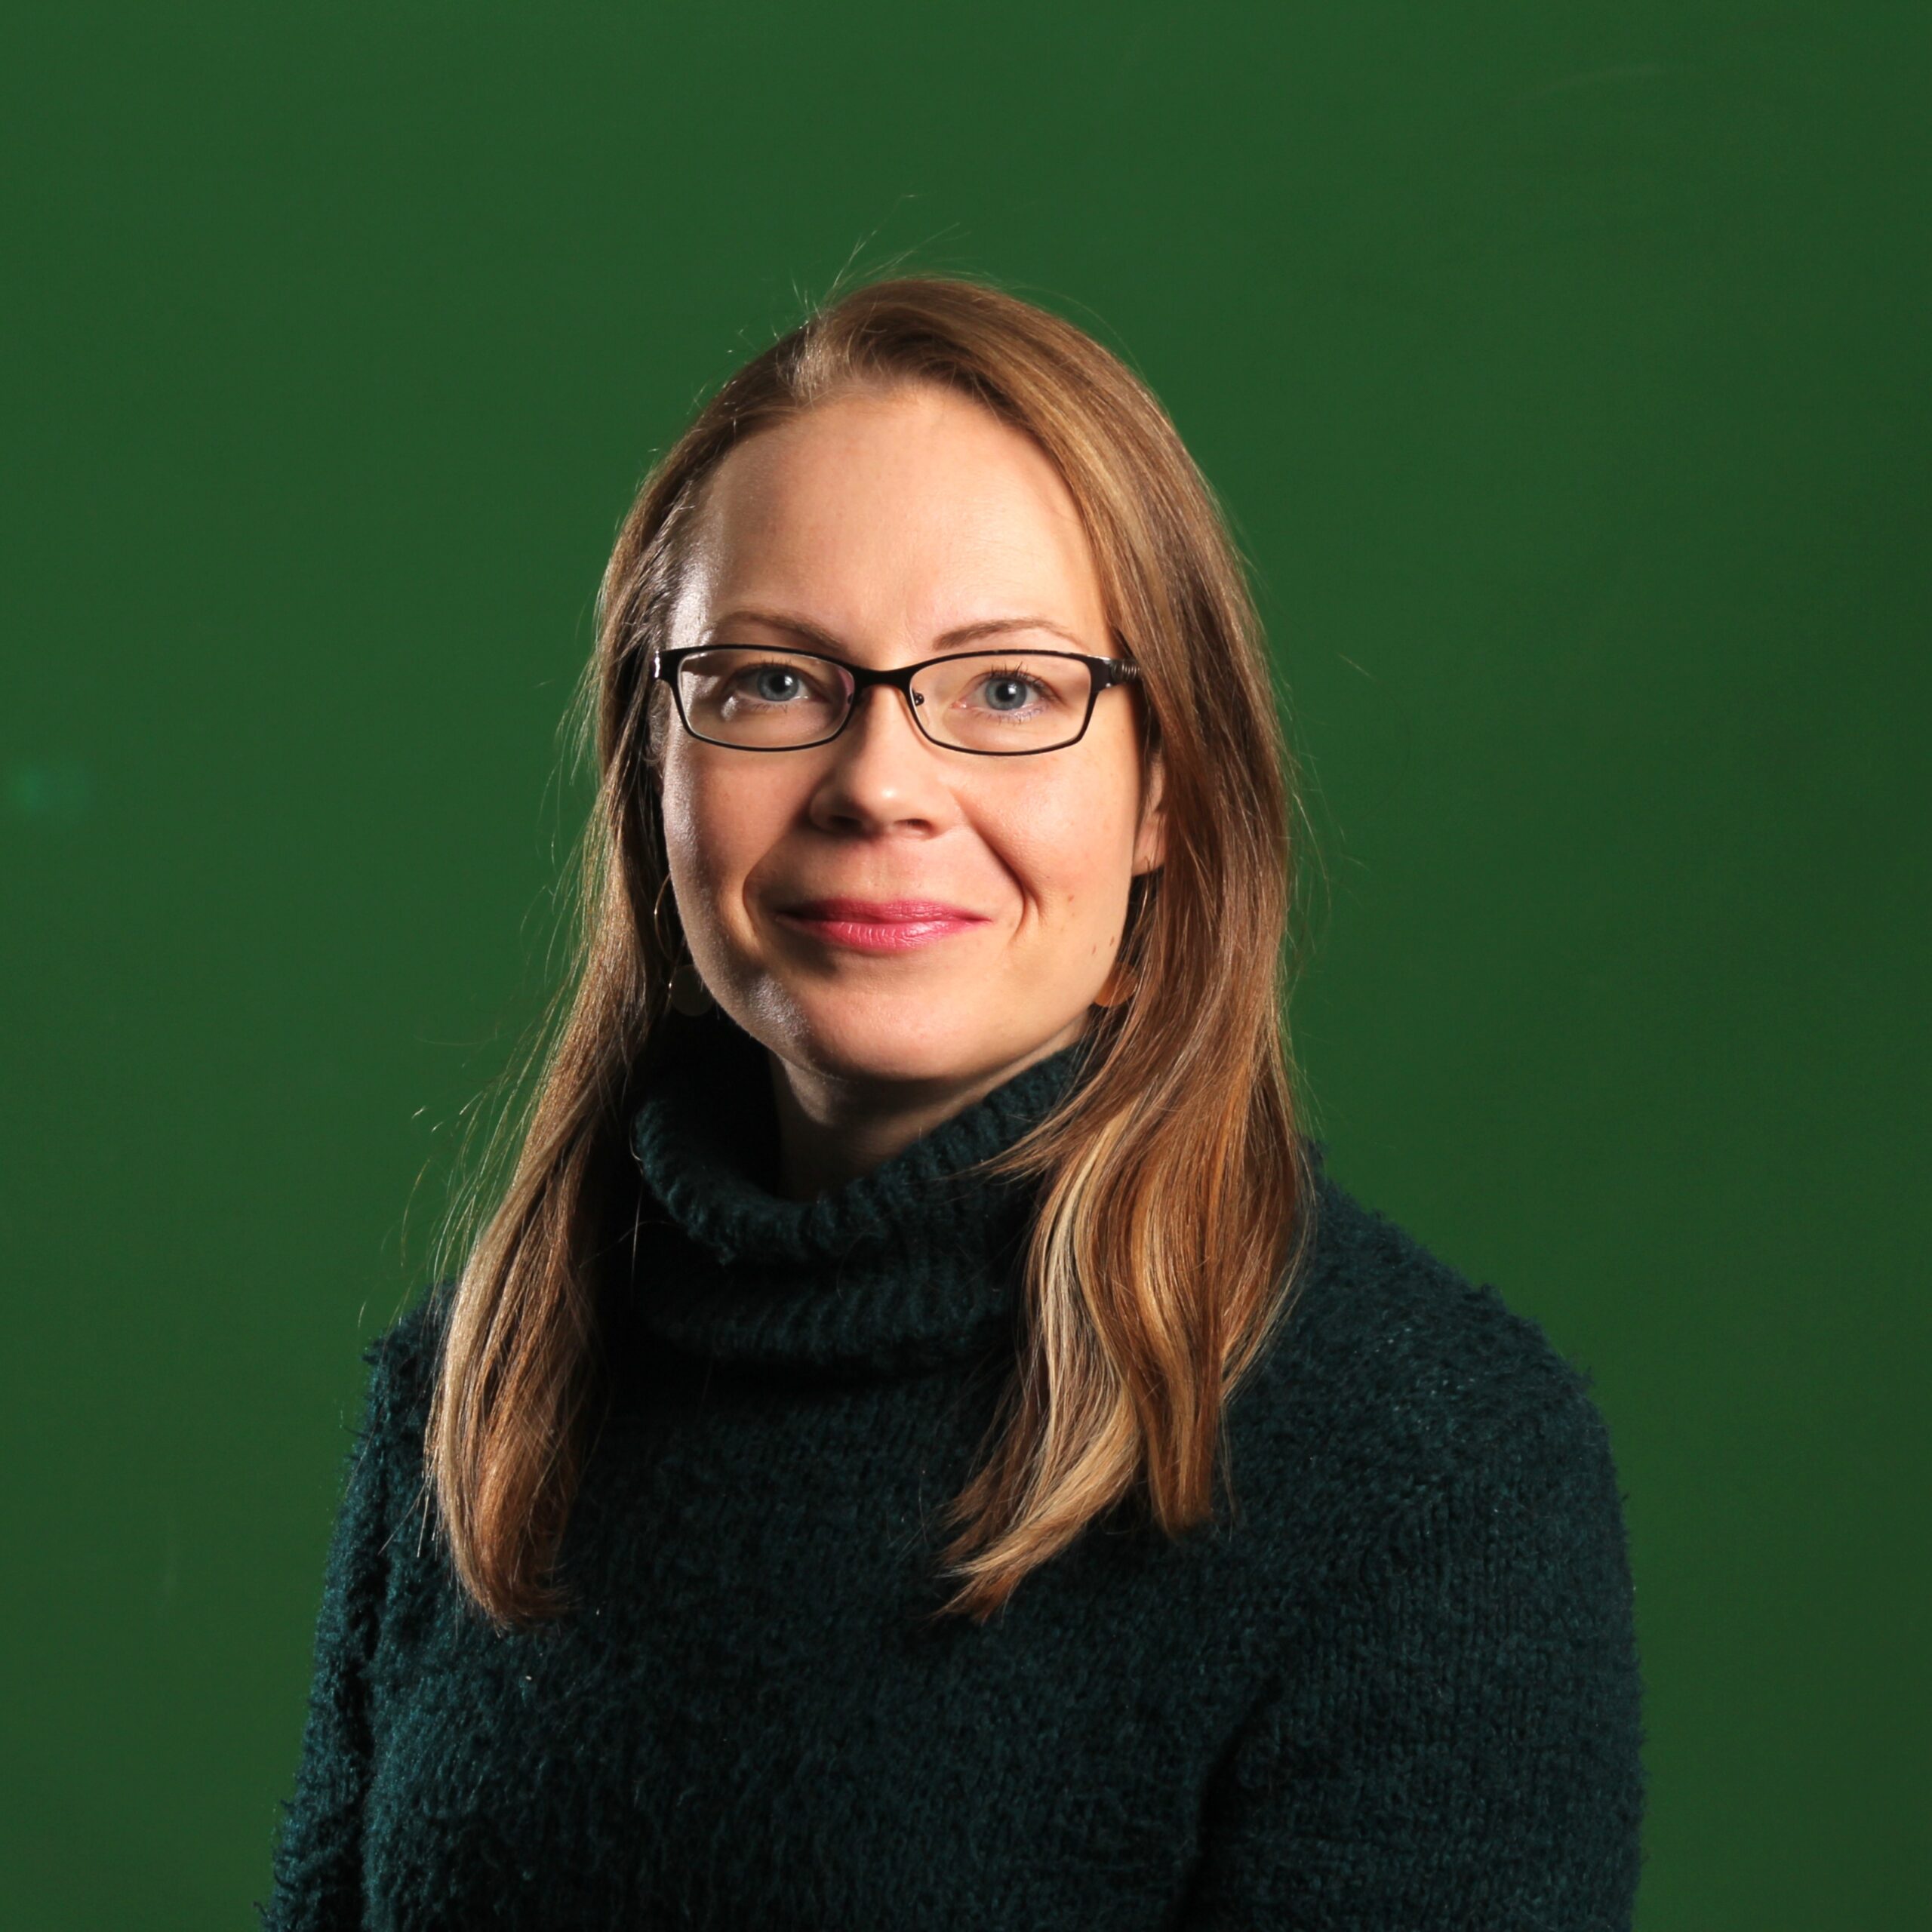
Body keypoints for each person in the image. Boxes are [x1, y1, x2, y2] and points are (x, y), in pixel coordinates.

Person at [262, 274, 1644, 1930]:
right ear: (652, 765)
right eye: (773, 681)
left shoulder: (1430, 1473)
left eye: (1006, 691)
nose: (878, 785)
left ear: (1166, 788)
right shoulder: (481, 1394)